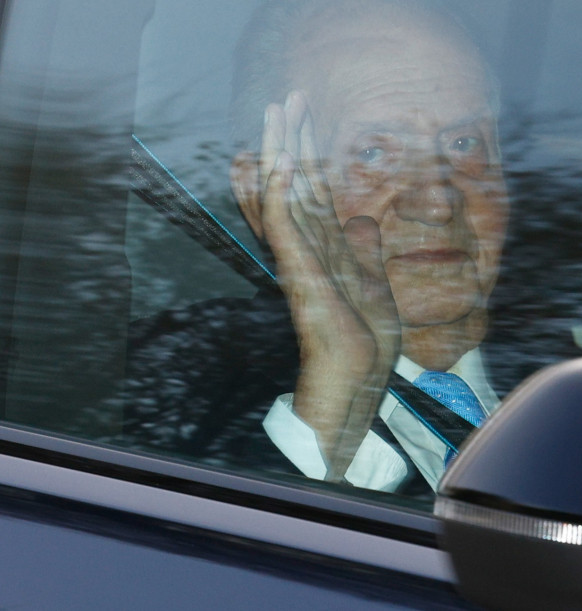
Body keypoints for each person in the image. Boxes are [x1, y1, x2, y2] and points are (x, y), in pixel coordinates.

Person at [118, 0, 508, 496]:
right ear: (262, 196)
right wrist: (328, 420)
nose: (436, 202)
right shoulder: (168, 381)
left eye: (464, 144)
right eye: (373, 153)